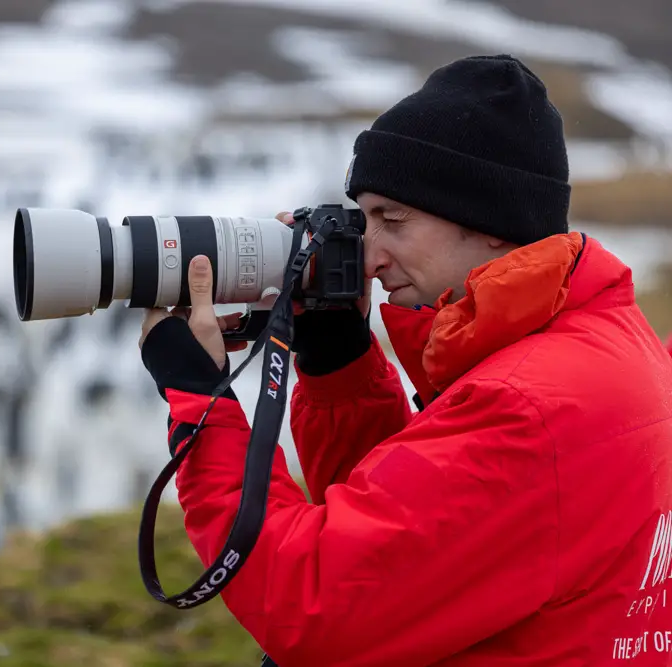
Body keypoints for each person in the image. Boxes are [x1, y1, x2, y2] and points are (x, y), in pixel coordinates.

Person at [139, 54, 672, 666]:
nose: (368, 256)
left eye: (392, 220)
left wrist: (201, 400)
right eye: (362, 223)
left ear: (493, 220)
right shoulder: (594, 334)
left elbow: (309, 603)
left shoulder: (526, 408)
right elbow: (408, 534)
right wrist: (337, 362)